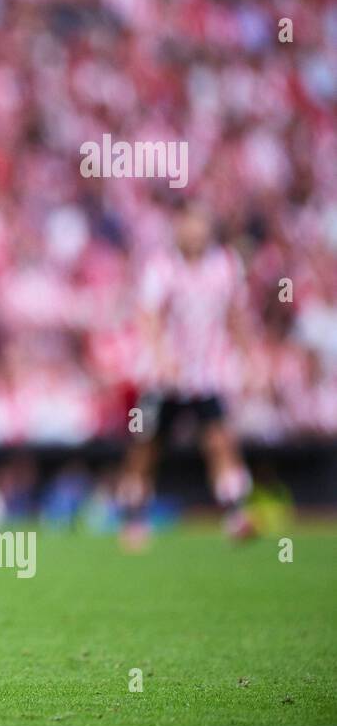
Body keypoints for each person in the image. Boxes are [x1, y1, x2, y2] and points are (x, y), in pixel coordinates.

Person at [117, 203, 254, 547]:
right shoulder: (162, 268)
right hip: (164, 376)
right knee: (146, 444)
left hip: (206, 372)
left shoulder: (226, 266)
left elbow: (236, 314)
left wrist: (248, 357)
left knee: (220, 440)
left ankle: (236, 512)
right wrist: (161, 356)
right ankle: (134, 516)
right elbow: (148, 315)